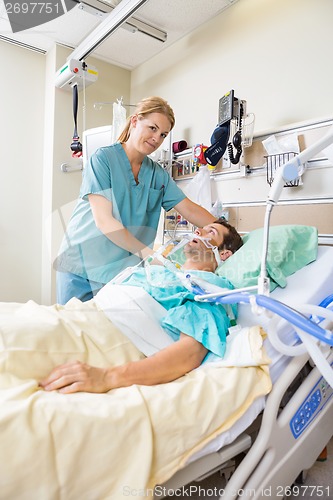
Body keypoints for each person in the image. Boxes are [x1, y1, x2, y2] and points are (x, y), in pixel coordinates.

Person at [41, 218, 243, 394]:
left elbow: (190, 352)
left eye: (211, 232)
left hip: (104, 338)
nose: (198, 231)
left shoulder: (208, 287)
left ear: (224, 254)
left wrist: (106, 378)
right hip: (75, 316)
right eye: (201, 228)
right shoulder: (164, 274)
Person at [55, 96, 216, 304]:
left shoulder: (157, 175)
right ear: (134, 121)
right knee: (70, 332)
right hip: (80, 266)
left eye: (163, 134)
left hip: (117, 274)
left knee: (106, 334)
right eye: (152, 128)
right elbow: (104, 221)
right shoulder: (103, 159)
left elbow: (190, 209)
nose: (156, 138)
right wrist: (150, 255)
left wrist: (225, 231)